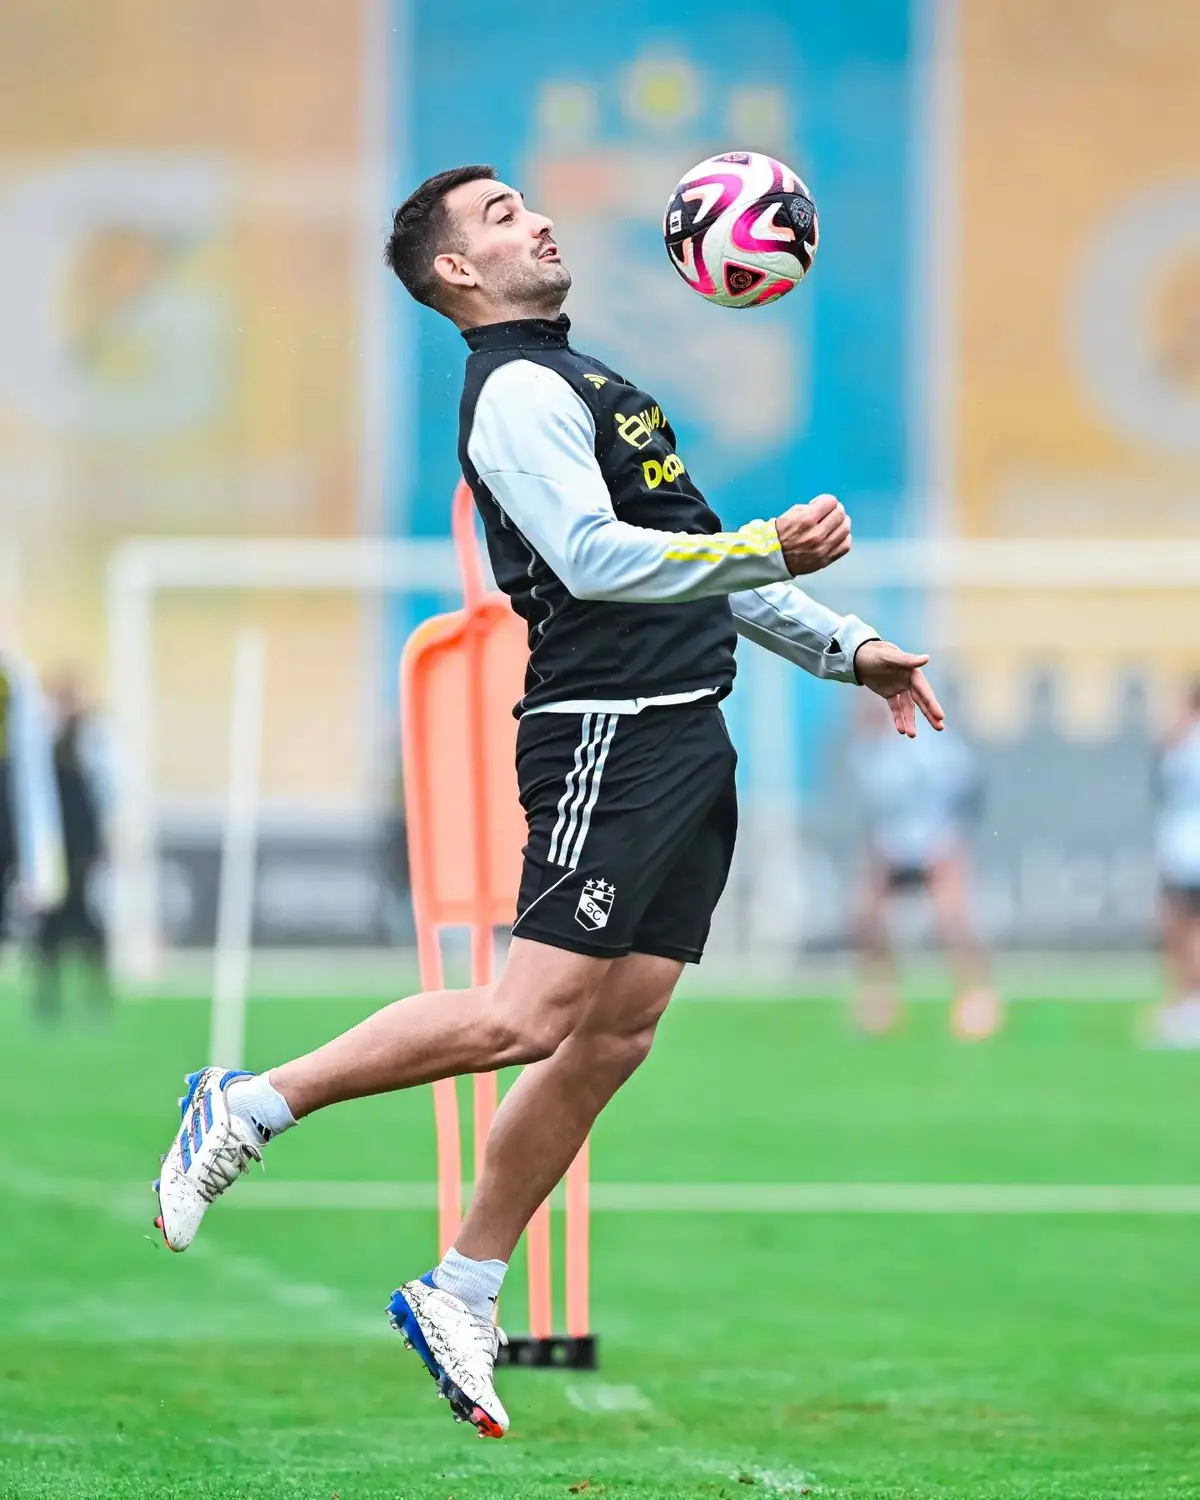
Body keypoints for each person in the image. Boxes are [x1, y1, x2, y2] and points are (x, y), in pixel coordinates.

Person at [152, 164, 944, 1439]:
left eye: (529, 203)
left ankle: (461, 1283)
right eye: (503, 215)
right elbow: (590, 557)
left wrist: (847, 648)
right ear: (458, 272)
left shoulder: (591, 383)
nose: (537, 220)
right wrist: (762, 549)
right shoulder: (516, 390)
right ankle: (247, 1103)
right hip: (606, 735)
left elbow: (693, 561)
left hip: (689, 736)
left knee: (615, 1036)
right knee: (530, 1014)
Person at [849, 694, 998, 1039]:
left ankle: (977, 997)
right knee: (866, 915)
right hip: (892, 844)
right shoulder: (865, 751)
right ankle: (880, 998)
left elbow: (965, 783)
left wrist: (951, 836)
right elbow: (878, 809)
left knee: (952, 919)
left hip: (935, 842)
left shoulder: (924, 741)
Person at [32, 673, 110, 1023]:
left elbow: (102, 794)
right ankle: (49, 998)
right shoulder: (43, 739)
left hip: (79, 845)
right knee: (50, 923)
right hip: (54, 843)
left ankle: (96, 992)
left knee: (83, 920)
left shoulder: (91, 738)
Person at [1152, 681, 1200, 1047]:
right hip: (1182, 848)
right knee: (1178, 928)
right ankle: (1186, 1002)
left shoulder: (1186, 744)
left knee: (1187, 930)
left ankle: (1191, 1004)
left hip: (1187, 851)